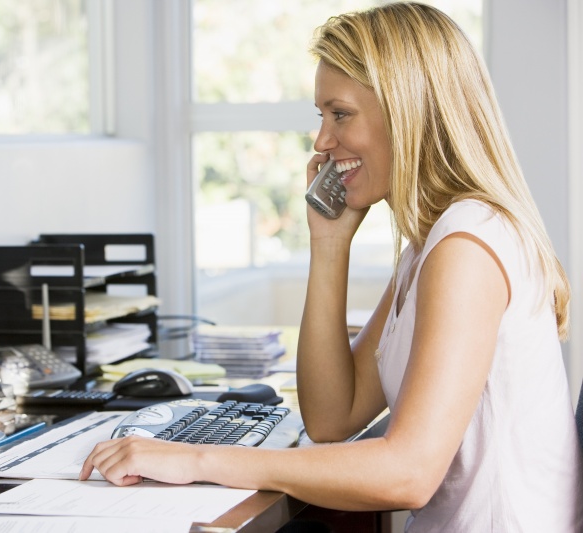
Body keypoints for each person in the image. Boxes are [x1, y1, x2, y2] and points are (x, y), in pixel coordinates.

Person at [80, 3, 583, 530]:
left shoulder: (468, 246)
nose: (322, 141)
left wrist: (195, 459)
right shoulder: (431, 245)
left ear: (405, 112)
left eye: (339, 114)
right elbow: (331, 417)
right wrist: (329, 243)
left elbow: (408, 473)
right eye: (321, 117)